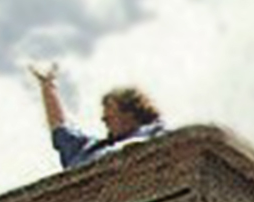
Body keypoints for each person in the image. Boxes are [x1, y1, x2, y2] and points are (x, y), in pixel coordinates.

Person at [29, 64, 166, 170]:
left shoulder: (154, 134)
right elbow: (61, 129)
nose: (104, 118)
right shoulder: (88, 150)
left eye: (111, 111)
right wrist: (48, 87)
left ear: (130, 113)